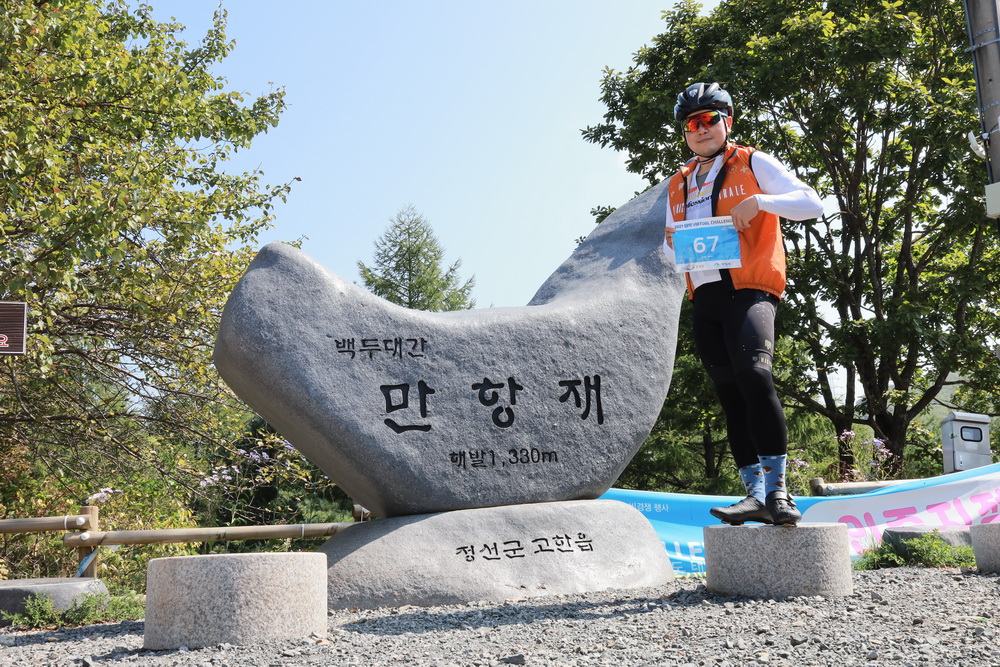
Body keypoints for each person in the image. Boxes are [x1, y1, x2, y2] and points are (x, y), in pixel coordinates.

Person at [663, 82, 823, 526]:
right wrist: (671, 242)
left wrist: (761, 201)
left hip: (750, 289)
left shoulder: (753, 161)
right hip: (705, 298)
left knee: (755, 374)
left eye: (709, 118)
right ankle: (754, 495)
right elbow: (670, 249)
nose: (700, 128)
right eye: (691, 123)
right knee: (730, 394)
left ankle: (779, 492)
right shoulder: (678, 182)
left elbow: (812, 203)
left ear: (727, 121)